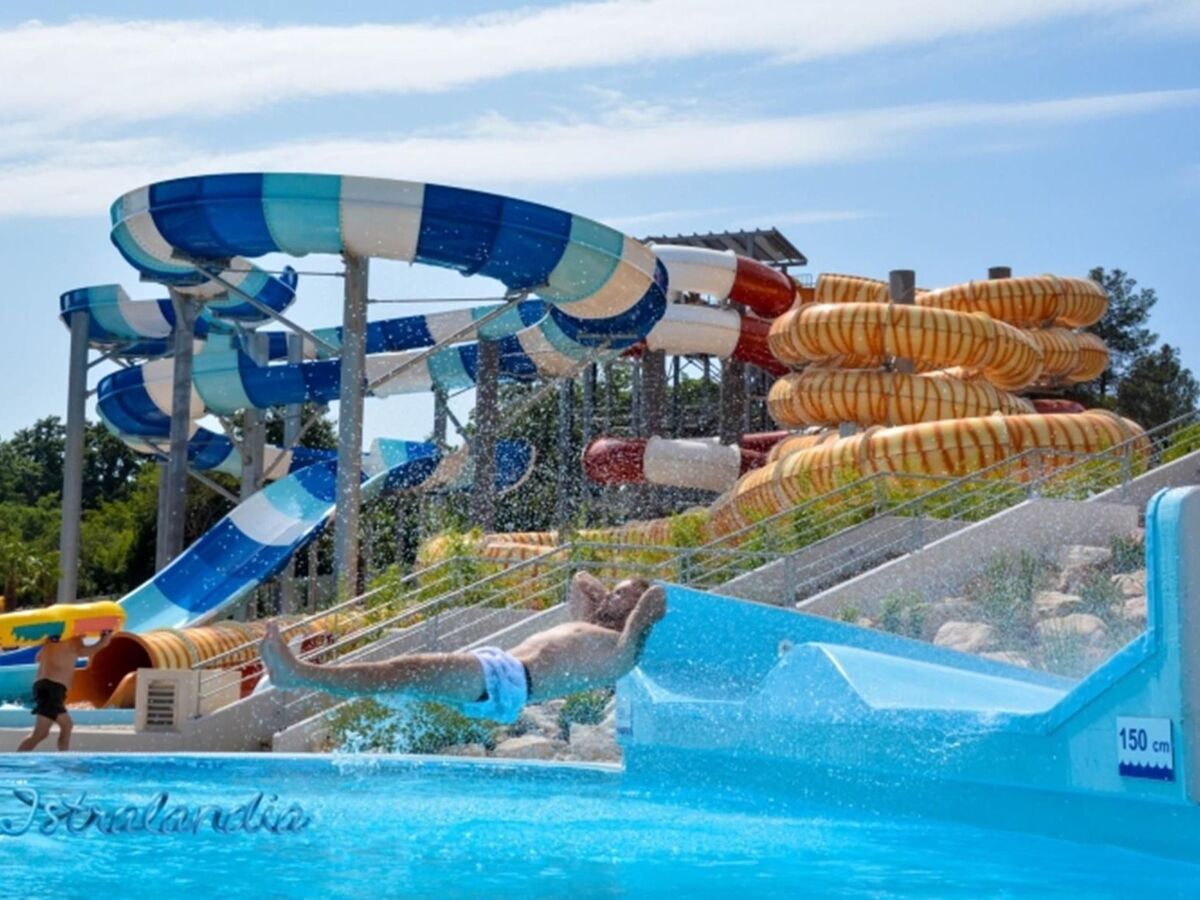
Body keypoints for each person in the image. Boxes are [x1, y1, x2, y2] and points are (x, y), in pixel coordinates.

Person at [260, 573, 666, 724]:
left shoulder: (621, 651)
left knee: (401, 670)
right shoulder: (589, 626)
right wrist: (611, 597)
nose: (612, 596)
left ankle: (299, 675)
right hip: (498, 672)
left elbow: (652, 604)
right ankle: (301, 675)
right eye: (613, 591)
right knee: (400, 675)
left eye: (622, 594)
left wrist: (640, 598)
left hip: (506, 681)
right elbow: (580, 579)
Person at [18, 631, 112, 752]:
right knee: (51, 730)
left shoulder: (52, 639)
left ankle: (62, 756)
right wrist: (103, 642)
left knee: (54, 729)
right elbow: (83, 652)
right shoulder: (72, 637)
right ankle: (18, 760)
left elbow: (38, 657)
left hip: (45, 686)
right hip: (52, 687)